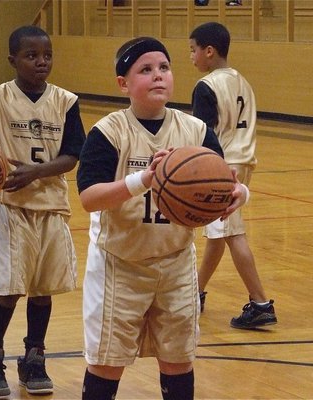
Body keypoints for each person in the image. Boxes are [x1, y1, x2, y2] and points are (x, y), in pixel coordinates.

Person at [76, 36, 249, 400]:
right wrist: (145, 180)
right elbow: (89, 199)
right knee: (107, 363)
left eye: (164, 68)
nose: (158, 76)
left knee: (179, 361)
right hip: (119, 264)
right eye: (146, 69)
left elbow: (226, 182)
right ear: (123, 84)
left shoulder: (196, 131)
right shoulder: (108, 132)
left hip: (175, 263)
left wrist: (239, 195)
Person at [0, 25, 86, 398]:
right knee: (11, 286)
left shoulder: (65, 101)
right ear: (12, 60)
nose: (41, 62)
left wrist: (38, 172)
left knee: (43, 289)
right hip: (11, 203)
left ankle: (34, 356)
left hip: (52, 204)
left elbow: (73, 155)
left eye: (47, 55)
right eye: (31, 56)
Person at [189, 22, 277, 329]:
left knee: (233, 232)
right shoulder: (243, 82)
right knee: (219, 233)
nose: (192, 57)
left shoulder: (207, 86)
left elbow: (203, 134)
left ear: (209, 51)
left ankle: (260, 302)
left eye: (193, 49)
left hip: (222, 165)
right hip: (245, 160)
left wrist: (196, 168)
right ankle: (195, 293)